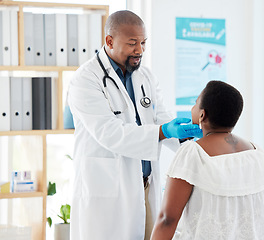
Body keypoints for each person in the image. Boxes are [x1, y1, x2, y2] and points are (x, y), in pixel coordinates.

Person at [67, 10, 201, 240]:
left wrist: (185, 137)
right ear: (109, 41)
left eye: (143, 43)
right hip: (109, 190)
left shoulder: (145, 77)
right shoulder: (85, 80)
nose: (139, 50)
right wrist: (162, 131)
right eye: (132, 43)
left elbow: (160, 118)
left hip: (145, 186)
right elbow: (109, 133)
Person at [151, 80, 264, 239]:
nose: (192, 109)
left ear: (202, 115)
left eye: (195, 104)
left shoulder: (193, 153)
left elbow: (167, 219)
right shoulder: (257, 153)